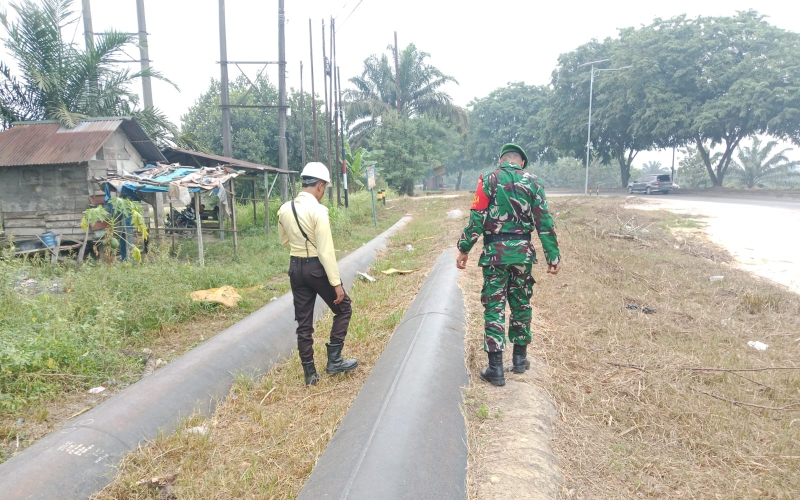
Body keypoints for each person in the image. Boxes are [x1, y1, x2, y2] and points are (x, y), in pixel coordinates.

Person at [456, 144, 561, 387]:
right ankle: (520, 359)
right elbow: (544, 221)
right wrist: (553, 256)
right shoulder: (534, 183)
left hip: (495, 255)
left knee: (494, 306)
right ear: (522, 163)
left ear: (501, 160)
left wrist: (464, 248)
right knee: (521, 303)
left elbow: (477, 218)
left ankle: (496, 370)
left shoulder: (488, 179)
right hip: (523, 255)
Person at [278, 162, 358, 386]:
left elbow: (284, 241)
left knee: (304, 322)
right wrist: (337, 284)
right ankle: (334, 361)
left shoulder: (285, 209)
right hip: (316, 268)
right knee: (343, 308)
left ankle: (310, 374)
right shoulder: (319, 211)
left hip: (295, 268)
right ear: (320, 186)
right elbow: (325, 251)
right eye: (325, 188)